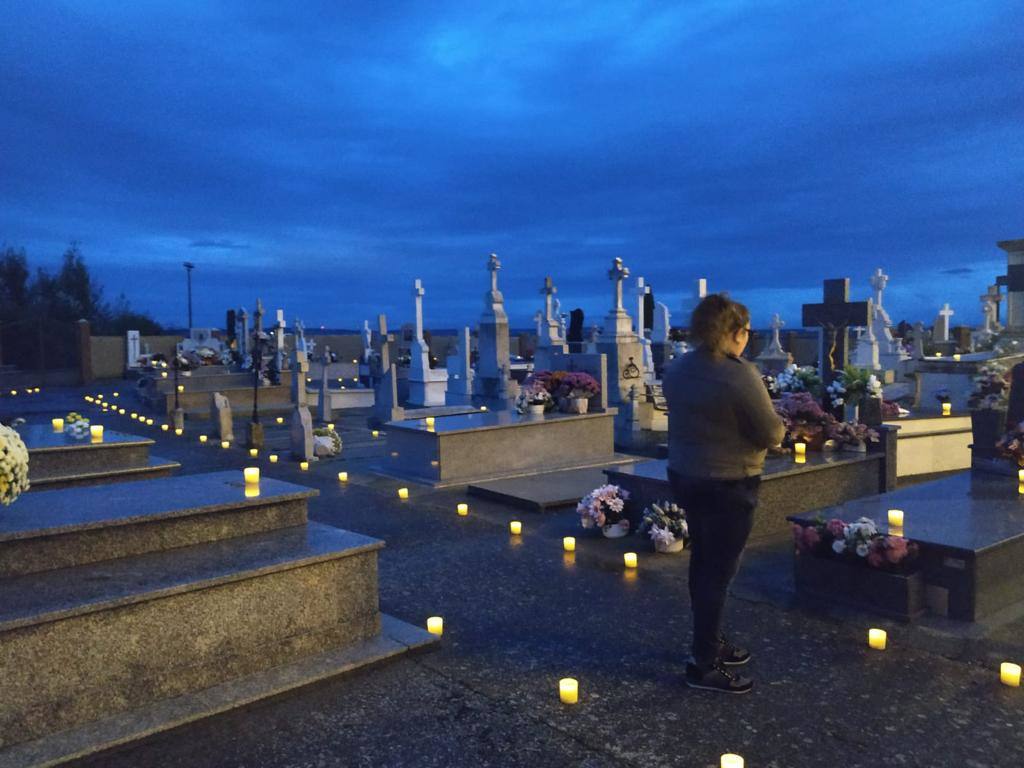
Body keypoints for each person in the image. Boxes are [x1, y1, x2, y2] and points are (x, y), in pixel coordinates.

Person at [662, 294, 785, 694]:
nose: (747, 339)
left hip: (686, 477)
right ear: (733, 332)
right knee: (719, 572)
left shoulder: (678, 369)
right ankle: (703, 663)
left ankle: (708, 641)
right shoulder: (738, 375)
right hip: (729, 483)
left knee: (703, 565)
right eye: (746, 332)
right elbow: (770, 432)